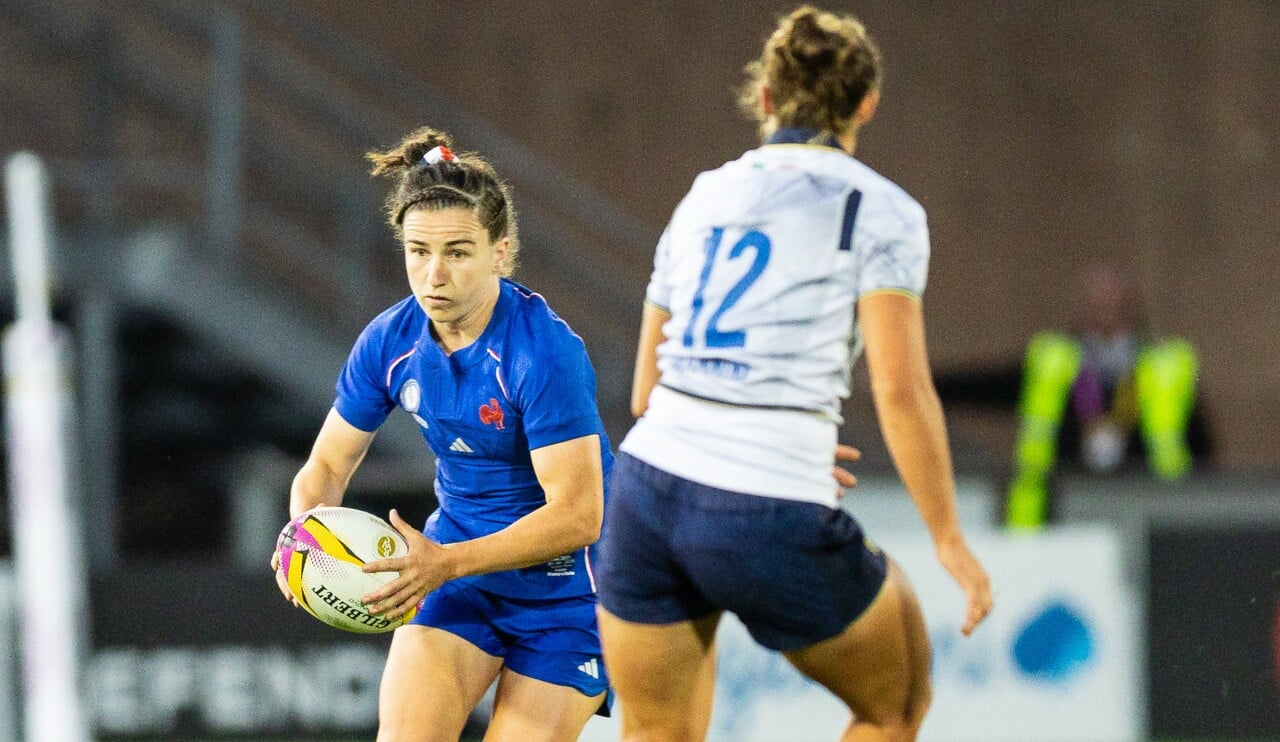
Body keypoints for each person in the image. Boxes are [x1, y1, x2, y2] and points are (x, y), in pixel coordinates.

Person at [593, 6, 993, 741]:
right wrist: (948, 540)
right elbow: (899, 391)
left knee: (656, 733)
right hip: (766, 501)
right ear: (866, 103)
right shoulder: (884, 211)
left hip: (646, 494)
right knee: (894, 706)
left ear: (767, 98)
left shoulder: (704, 193)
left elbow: (646, 393)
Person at [270, 127, 613, 741]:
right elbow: (325, 469)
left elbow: (581, 515)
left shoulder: (543, 351)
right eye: (417, 251)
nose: (433, 275)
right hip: (456, 574)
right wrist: (305, 538)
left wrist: (444, 564)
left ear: (499, 253)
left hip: (567, 594)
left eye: (457, 252)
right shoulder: (389, 342)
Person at [1005, 265, 1206, 529]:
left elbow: (1194, 440)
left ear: (1128, 307)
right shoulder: (1062, 363)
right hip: (1071, 495)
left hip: (1143, 495)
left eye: (1111, 301)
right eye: (1097, 302)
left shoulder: (1157, 365)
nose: (1104, 310)